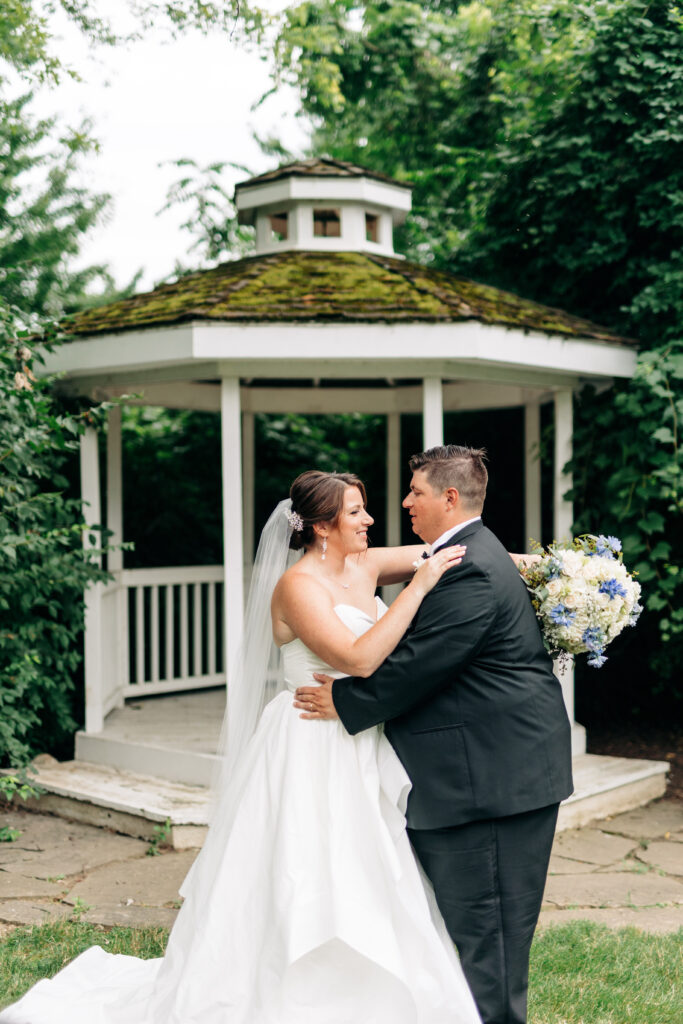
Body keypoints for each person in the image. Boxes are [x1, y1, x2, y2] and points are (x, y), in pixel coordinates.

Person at [0, 469, 482, 1024]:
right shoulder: (297, 587)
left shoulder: (366, 565)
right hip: (306, 743)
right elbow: (357, 660)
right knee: (299, 867)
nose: (370, 520)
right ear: (323, 527)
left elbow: (452, 551)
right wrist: (418, 588)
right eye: (356, 512)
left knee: (367, 866)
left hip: (356, 740)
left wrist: (556, 569)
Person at [294, 446, 574, 1024]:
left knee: (488, 938)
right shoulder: (464, 550)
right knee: (471, 934)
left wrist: (344, 701)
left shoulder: (467, 566)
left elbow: (421, 662)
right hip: (483, 772)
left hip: (491, 781)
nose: (402, 503)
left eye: (415, 491)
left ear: (450, 498)